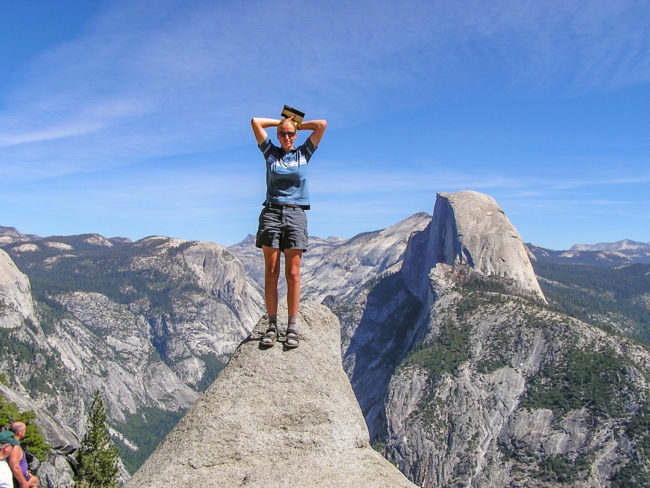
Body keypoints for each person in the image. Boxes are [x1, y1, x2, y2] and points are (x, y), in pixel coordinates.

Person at [251, 111, 327, 348]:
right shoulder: (270, 153)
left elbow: (321, 125)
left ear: (295, 135)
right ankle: (272, 325)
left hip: (295, 214)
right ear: (277, 135)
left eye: (290, 134)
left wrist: (295, 123)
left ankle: (291, 327)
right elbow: (255, 122)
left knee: (293, 274)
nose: (286, 137)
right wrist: (281, 121)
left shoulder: (303, 153)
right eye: (282, 134)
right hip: (272, 213)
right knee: (271, 273)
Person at [8, 423, 38, 488]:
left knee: (34, 480)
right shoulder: (15, 448)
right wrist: (24, 482)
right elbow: (15, 466)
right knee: (34, 481)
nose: (26, 431)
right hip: (18, 479)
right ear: (19, 432)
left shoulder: (14, 444)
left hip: (23, 475)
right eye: (25, 429)